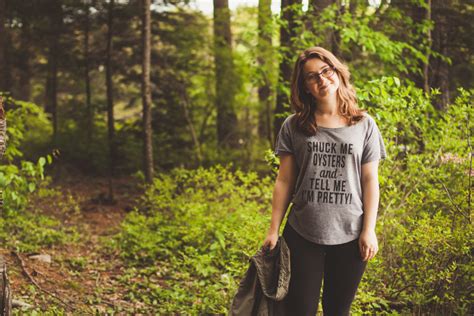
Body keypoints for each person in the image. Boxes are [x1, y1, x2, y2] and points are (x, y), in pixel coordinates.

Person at [262, 46, 387, 315]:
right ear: (304, 86)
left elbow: (370, 180)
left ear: (337, 72)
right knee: (299, 310)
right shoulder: (294, 126)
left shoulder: (364, 124)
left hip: (351, 236)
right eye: (311, 76)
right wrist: (273, 229)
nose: (321, 79)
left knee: (337, 311)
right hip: (302, 235)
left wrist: (369, 229)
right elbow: (284, 180)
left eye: (326, 71)